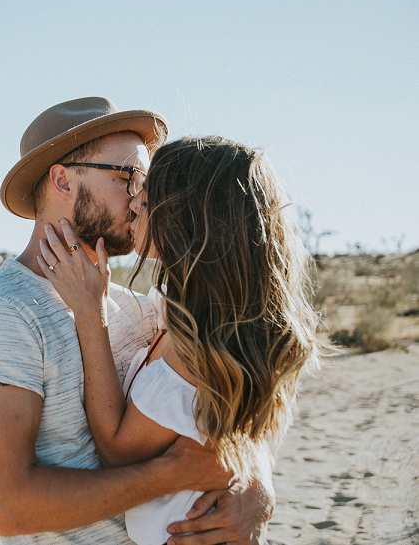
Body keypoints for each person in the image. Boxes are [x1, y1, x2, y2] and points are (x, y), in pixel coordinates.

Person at [0, 97, 275, 545]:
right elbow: (11, 506)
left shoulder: (137, 309)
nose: (142, 197)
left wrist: (256, 487)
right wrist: (168, 474)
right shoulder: (2, 313)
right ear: (63, 179)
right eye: (129, 178)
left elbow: (213, 411)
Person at [37, 136, 320, 545]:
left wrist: (89, 312)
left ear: (187, 223)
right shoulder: (184, 316)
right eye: (130, 184)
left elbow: (117, 452)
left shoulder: (194, 347)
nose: (133, 203)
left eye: (147, 197)